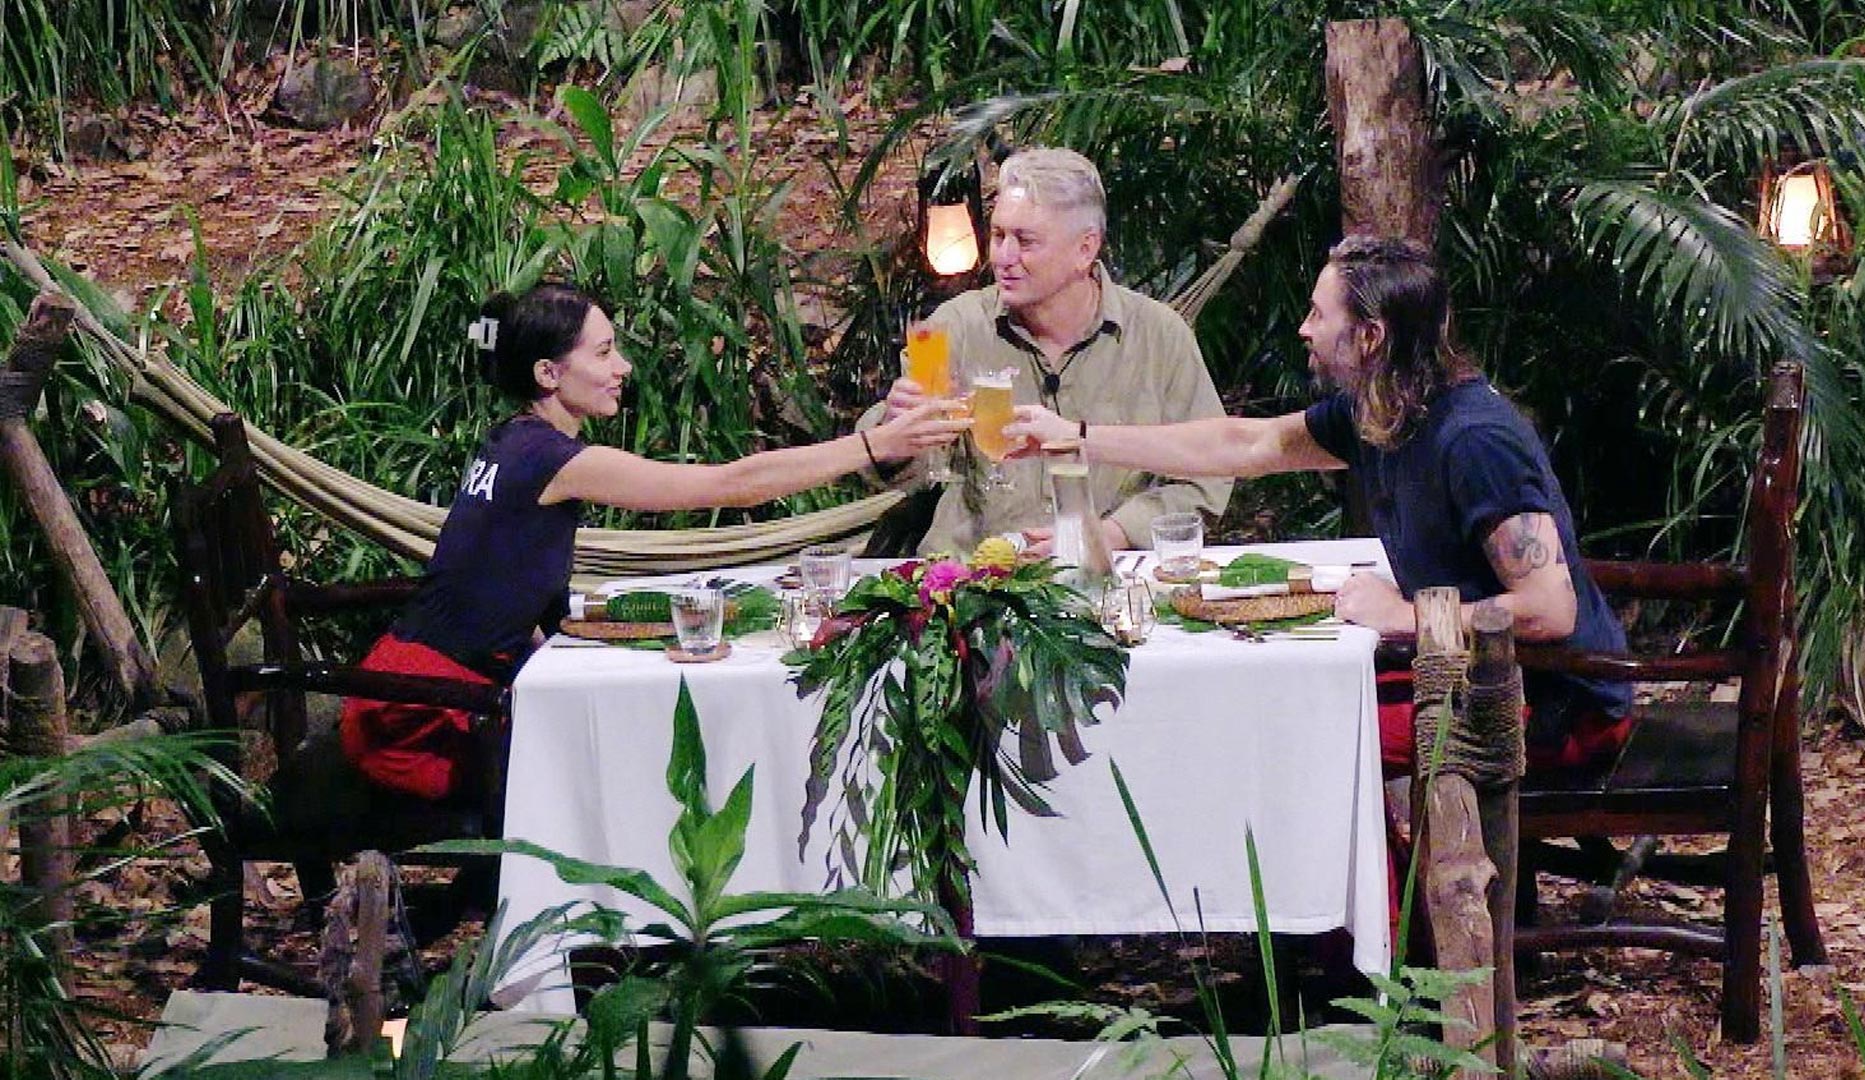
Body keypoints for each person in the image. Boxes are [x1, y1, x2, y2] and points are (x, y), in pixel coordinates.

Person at [1004, 235, 1633, 774]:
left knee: (1312, 733)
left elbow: (1549, 611)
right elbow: (1248, 442)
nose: (1304, 329)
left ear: (1369, 337)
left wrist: (1406, 614)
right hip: (1476, 673)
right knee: (1278, 702)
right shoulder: (1385, 410)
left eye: (1317, 314)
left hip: (1557, 704)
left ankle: (1377, 914)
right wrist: (1078, 438)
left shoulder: (1473, 441)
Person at [341, 282, 967, 801]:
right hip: (421, 716)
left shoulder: (511, 440)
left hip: (420, 684)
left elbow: (492, 580)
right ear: (548, 373)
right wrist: (872, 446)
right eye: (605, 352)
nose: (623, 369)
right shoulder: (553, 460)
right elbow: (734, 484)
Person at [871, 146, 1231, 557]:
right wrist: (897, 434)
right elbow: (910, 472)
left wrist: (1111, 534)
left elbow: (1207, 475)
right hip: (970, 585)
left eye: (1025, 241)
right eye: (999, 235)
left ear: (1085, 249)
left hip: (1106, 583)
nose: (1003, 257)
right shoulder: (954, 327)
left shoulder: (1159, 337)